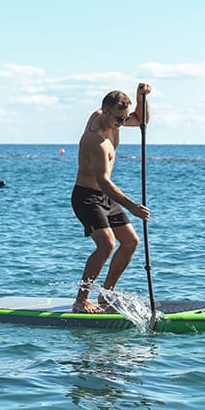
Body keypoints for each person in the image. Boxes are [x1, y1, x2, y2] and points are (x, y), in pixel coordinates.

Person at [71, 83, 152, 313]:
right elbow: (104, 181)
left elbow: (142, 119)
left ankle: (106, 295)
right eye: (118, 119)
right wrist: (133, 207)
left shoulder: (115, 119)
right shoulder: (95, 140)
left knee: (131, 242)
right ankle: (81, 300)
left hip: (105, 198)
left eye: (124, 118)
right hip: (86, 197)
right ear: (104, 112)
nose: (122, 123)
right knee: (106, 244)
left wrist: (141, 97)